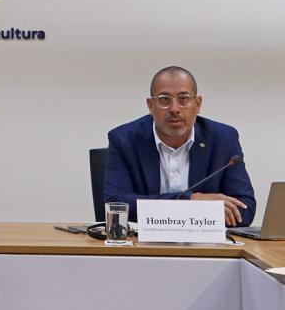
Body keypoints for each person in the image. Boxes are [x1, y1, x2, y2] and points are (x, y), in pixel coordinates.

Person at [104, 66, 254, 226]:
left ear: (197, 104)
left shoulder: (223, 139)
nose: (174, 109)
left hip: (206, 248)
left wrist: (183, 208)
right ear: (150, 105)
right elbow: (115, 204)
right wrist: (190, 200)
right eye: (164, 99)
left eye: (183, 98)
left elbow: (245, 209)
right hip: (144, 246)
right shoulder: (123, 139)